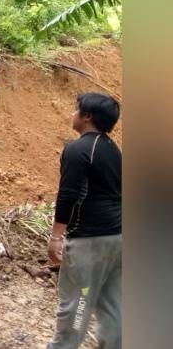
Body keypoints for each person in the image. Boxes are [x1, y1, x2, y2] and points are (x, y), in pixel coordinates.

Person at [46, 92, 122, 348]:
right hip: (119, 237)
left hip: (90, 239)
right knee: (113, 304)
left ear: (87, 117)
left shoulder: (79, 149)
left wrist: (56, 236)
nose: (72, 114)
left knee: (78, 304)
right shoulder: (114, 150)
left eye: (75, 109)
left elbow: (68, 194)